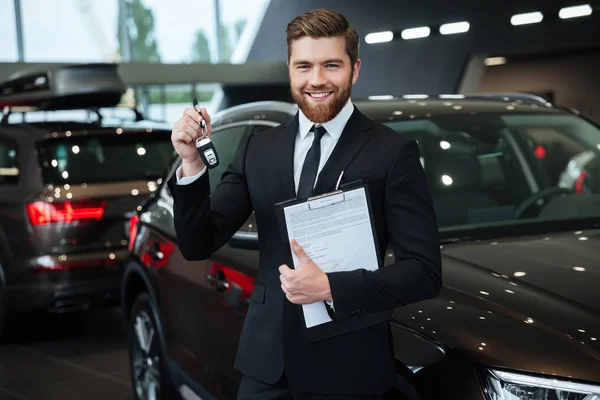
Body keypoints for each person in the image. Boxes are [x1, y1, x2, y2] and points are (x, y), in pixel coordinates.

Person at [167, 8, 442, 400]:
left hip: (349, 367)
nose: (316, 80)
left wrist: (332, 287)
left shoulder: (392, 152)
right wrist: (192, 164)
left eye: (331, 65)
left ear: (355, 69)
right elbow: (197, 243)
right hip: (267, 366)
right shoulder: (259, 148)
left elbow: (424, 272)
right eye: (304, 66)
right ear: (290, 69)